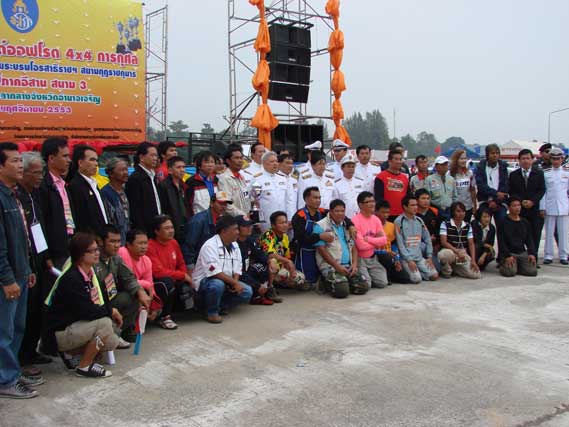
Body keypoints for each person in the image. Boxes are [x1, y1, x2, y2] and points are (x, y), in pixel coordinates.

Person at [44, 233, 121, 379]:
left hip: (76, 325)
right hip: (59, 332)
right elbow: (87, 312)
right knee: (105, 324)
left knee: (112, 340)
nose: (97, 253)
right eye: (92, 251)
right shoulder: (72, 278)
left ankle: (70, 353)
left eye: (97, 249)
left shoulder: (89, 273)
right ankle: (84, 366)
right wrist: (111, 311)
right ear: (80, 254)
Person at [0, 143, 41, 398]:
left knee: (17, 328)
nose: (20, 165)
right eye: (14, 161)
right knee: (4, 331)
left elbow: (22, 237)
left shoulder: (12, 194)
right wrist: (7, 278)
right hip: (7, 277)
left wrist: (26, 269)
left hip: (20, 272)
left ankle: (11, 371)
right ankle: (5, 380)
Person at [16, 152, 53, 375]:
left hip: (39, 258)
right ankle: (21, 359)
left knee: (38, 307)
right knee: (26, 312)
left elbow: (39, 227)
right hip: (25, 261)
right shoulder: (17, 196)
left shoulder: (34, 195)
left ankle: (31, 351)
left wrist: (45, 255)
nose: (40, 176)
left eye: (42, 172)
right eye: (37, 172)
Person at [95, 225, 151, 345]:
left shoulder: (115, 258)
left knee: (136, 295)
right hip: (96, 303)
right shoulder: (92, 260)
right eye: (112, 241)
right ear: (100, 241)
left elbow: (129, 278)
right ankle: (107, 336)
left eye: (118, 241)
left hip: (110, 298)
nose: (116, 245)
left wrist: (141, 292)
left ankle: (120, 332)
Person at [192, 215, 253, 323]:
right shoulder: (210, 245)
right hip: (207, 281)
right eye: (235, 229)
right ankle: (211, 313)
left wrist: (235, 282)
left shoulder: (235, 244)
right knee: (217, 284)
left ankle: (219, 306)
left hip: (227, 281)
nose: (238, 232)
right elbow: (214, 273)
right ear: (224, 231)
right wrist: (234, 283)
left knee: (247, 291)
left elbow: (238, 267)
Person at [313, 199, 369, 298]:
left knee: (363, 286)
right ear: (330, 212)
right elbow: (321, 250)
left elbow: (353, 246)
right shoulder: (320, 225)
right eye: (337, 211)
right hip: (330, 267)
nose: (340, 213)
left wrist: (354, 264)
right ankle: (325, 281)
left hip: (347, 266)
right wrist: (337, 267)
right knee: (342, 291)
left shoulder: (348, 226)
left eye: (342, 211)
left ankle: (343, 281)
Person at [147, 215, 193, 330]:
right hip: (157, 282)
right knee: (166, 283)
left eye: (172, 227)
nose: (171, 231)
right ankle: (164, 317)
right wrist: (182, 275)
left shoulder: (174, 243)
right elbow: (158, 272)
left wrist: (184, 275)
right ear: (157, 231)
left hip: (173, 278)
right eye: (166, 228)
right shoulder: (150, 246)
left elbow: (181, 262)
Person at [38, 137, 75, 269]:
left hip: (70, 244)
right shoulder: (43, 186)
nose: (69, 160)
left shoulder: (63, 184)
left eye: (69, 156)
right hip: (55, 251)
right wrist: (46, 255)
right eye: (64, 156)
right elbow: (41, 222)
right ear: (51, 158)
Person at [508, 149, 546, 262]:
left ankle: (533, 258)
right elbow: (511, 191)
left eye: (528, 158)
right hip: (520, 210)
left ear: (532, 159)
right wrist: (521, 201)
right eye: (523, 159)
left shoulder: (539, 173)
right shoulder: (513, 175)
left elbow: (542, 190)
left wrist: (532, 201)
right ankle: (518, 258)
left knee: (535, 235)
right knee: (518, 234)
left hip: (534, 210)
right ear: (519, 160)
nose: (525, 161)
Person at [118, 229, 163, 321]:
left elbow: (150, 285)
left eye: (145, 243)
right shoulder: (123, 252)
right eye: (140, 243)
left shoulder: (146, 260)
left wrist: (153, 304)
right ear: (129, 244)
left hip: (138, 289)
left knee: (160, 289)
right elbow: (127, 280)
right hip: (122, 289)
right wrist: (146, 285)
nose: (144, 247)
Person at [394, 195, 439, 284]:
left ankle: (418, 272)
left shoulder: (419, 220)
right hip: (406, 259)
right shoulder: (398, 221)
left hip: (419, 258)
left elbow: (427, 239)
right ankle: (414, 273)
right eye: (412, 205)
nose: (415, 207)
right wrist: (409, 260)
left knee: (435, 275)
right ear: (405, 206)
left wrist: (429, 257)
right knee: (417, 279)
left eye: (416, 205)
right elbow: (400, 244)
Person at [236, 215, 278, 305]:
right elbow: (237, 271)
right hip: (236, 274)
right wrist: (257, 285)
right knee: (250, 284)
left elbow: (260, 254)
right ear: (237, 228)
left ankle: (267, 290)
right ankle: (257, 294)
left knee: (267, 265)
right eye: (245, 226)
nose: (249, 228)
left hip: (247, 270)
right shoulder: (233, 243)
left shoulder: (249, 240)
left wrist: (270, 261)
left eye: (250, 225)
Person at [67, 145, 109, 235]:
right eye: (92, 160)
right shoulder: (75, 186)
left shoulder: (94, 184)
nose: (96, 164)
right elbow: (81, 217)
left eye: (96, 160)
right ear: (80, 163)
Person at [182, 192, 231, 268]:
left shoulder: (222, 220)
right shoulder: (198, 221)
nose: (224, 207)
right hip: (199, 265)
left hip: (214, 262)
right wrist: (190, 266)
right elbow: (188, 246)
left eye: (225, 204)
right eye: (221, 203)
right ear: (211, 203)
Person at [260, 211, 307, 290]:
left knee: (300, 278)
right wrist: (288, 261)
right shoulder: (268, 235)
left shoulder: (285, 236)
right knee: (273, 261)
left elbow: (286, 256)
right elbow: (270, 254)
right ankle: (270, 287)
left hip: (280, 266)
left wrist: (290, 268)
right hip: (266, 265)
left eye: (285, 222)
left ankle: (281, 284)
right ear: (273, 225)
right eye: (281, 223)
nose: (285, 225)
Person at [352, 192, 389, 288]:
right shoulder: (355, 220)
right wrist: (377, 242)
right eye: (368, 202)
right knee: (366, 285)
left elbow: (384, 240)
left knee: (382, 283)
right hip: (360, 259)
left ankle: (368, 276)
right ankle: (364, 277)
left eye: (373, 201)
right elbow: (361, 246)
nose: (372, 204)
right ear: (360, 205)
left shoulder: (376, 220)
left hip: (372, 258)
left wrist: (368, 239)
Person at [250, 151, 295, 232]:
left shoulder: (283, 179)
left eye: (276, 161)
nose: (275, 164)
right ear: (264, 163)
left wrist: (290, 218)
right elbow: (253, 201)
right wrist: (256, 221)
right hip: (266, 221)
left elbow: (289, 201)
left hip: (283, 221)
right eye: (272, 161)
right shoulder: (257, 180)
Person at [291, 187, 328, 285]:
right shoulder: (299, 216)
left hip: (320, 250)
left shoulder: (322, 212)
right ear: (306, 199)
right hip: (304, 252)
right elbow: (301, 238)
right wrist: (319, 237)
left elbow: (338, 215)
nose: (318, 200)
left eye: (319, 198)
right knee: (306, 282)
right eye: (315, 198)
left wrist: (350, 226)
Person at [540, 147, 569, 265]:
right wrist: (542, 207)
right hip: (550, 205)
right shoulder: (546, 173)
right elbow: (543, 192)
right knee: (549, 233)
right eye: (554, 159)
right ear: (550, 159)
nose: (556, 161)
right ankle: (548, 255)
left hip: (564, 206)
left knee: (563, 233)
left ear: (562, 159)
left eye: (558, 159)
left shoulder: (567, 173)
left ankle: (563, 255)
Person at [125, 142, 162, 233]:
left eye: (156, 155)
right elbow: (135, 208)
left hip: (157, 227)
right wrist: (141, 230)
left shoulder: (153, 176)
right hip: (144, 230)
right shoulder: (135, 179)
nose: (155, 158)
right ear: (141, 157)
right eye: (152, 155)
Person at [438, 202, 481, 279]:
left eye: (463, 211)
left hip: (462, 254)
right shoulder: (445, 224)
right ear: (453, 212)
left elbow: (471, 243)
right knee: (443, 255)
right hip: (451, 251)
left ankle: (455, 268)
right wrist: (456, 251)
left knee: (476, 275)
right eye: (458, 211)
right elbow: (444, 242)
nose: (461, 213)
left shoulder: (468, 226)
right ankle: (446, 270)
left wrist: (473, 260)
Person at [497, 198, 537, 277]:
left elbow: (529, 239)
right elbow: (501, 241)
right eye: (514, 206)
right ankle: (504, 264)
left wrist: (532, 253)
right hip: (509, 253)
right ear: (509, 208)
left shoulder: (525, 222)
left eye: (518, 205)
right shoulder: (503, 222)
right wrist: (507, 256)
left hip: (521, 252)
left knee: (532, 272)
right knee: (510, 272)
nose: (517, 208)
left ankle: (518, 265)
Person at [374, 200, 412, 284]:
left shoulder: (391, 225)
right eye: (383, 212)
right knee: (386, 257)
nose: (385, 215)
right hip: (378, 256)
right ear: (376, 212)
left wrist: (397, 259)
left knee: (406, 279)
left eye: (387, 212)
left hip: (391, 256)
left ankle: (390, 274)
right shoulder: (371, 225)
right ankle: (386, 275)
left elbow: (394, 244)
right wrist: (385, 252)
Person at [474, 144, 509, 223]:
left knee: (503, 221)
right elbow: (481, 185)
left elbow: (505, 185)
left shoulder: (503, 167)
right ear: (487, 154)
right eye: (492, 153)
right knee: (482, 223)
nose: (495, 155)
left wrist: (496, 201)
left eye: (497, 153)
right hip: (485, 201)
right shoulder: (480, 167)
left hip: (500, 202)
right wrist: (495, 194)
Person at [100, 157, 130, 245]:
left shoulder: (125, 191)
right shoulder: (105, 193)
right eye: (122, 170)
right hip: (114, 240)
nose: (126, 173)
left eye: (126, 169)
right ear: (111, 173)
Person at [374, 150, 411, 221]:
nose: (399, 162)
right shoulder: (381, 177)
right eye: (396, 159)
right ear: (389, 161)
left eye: (400, 159)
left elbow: (408, 196)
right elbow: (378, 198)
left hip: (402, 215)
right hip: (386, 215)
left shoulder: (405, 178)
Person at [159, 156, 188, 243]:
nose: (182, 170)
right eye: (178, 167)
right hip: (171, 226)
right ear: (170, 170)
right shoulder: (163, 186)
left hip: (184, 225)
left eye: (183, 167)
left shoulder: (184, 185)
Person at [218, 144, 252, 217]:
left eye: (241, 158)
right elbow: (227, 204)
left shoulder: (241, 177)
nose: (240, 161)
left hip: (245, 219)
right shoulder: (224, 178)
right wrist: (244, 215)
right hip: (233, 219)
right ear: (228, 161)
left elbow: (246, 197)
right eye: (236, 158)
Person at [332, 154, 366, 219]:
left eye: (353, 167)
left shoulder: (361, 182)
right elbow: (336, 204)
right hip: (345, 218)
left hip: (360, 218)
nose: (351, 169)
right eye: (348, 166)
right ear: (342, 168)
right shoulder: (337, 185)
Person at [185, 150, 218, 216]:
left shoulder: (216, 180)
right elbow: (187, 204)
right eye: (207, 162)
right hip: (198, 219)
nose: (210, 165)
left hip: (215, 218)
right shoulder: (191, 182)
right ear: (199, 165)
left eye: (212, 162)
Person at [424, 156, 457, 220]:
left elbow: (455, 196)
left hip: (449, 210)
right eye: (442, 165)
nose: (444, 166)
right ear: (436, 166)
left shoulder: (451, 179)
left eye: (446, 164)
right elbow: (427, 197)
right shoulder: (429, 179)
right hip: (435, 210)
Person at [449, 150, 477, 222]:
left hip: (467, 207)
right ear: (456, 160)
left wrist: (474, 205)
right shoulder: (449, 174)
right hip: (455, 207)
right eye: (461, 159)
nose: (464, 161)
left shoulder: (470, 173)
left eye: (465, 158)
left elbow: (472, 189)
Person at [277, 153, 299, 221]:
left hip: (293, 216)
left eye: (291, 163)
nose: (290, 166)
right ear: (279, 164)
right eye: (287, 163)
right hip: (280, 218)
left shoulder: (294, 180)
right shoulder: (275, 178)